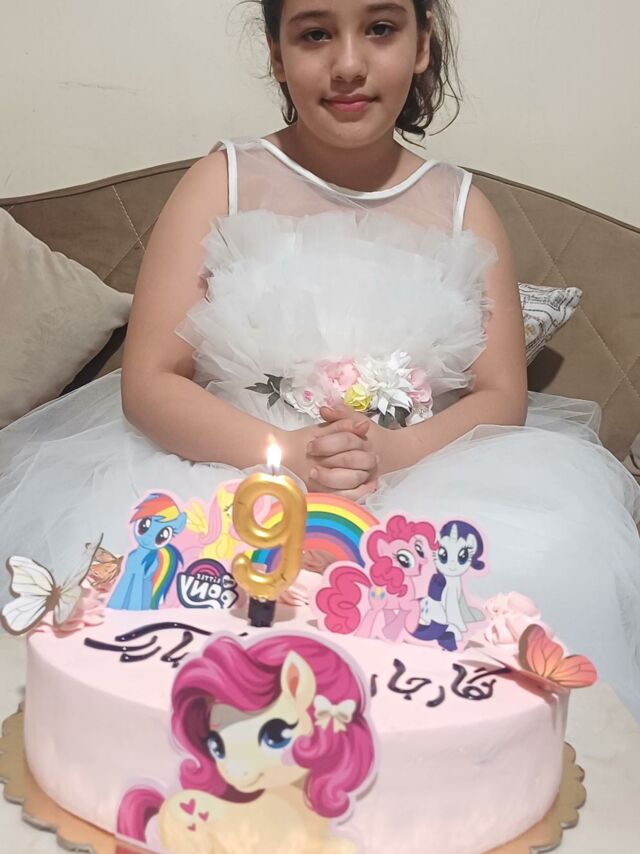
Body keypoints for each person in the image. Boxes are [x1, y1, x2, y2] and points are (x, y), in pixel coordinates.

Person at [0, 0, 639, 714]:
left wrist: (392, 453)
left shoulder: (465, 207)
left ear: (422, 44)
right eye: (314, 34)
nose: (348, 64)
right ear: (277, 54)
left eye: (380, 29)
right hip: (228, 473)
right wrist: (290, 456)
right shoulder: (222, 180)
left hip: (413, 484)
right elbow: (150, 380)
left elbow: (500, 394)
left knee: (539, 558)